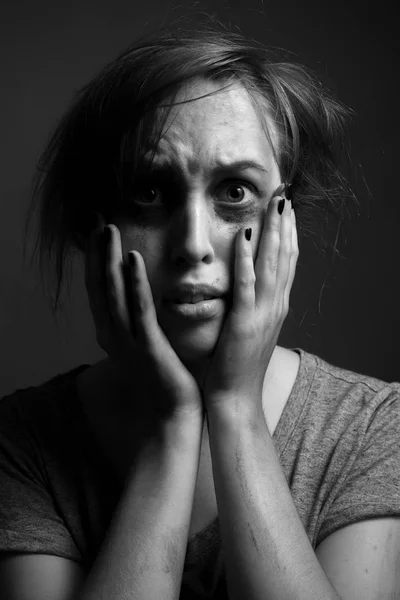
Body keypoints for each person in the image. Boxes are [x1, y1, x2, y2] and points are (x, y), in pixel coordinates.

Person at [0, 26, 399, 600]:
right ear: (91, 228)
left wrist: (235, 406)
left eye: (235, 192)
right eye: (150, 192)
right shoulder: (22, 445)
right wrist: (173, 427)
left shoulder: (371, 429)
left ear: (285, 222)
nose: (193, 244)